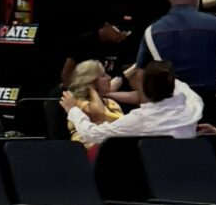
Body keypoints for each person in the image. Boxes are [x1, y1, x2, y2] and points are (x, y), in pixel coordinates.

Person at [66, 60, 201, 145]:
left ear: (144, 88)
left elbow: (93, 134)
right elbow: (176, 84)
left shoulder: (140, 119)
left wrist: (73, 110)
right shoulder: (192, 106)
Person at [60, 16, 137, 89]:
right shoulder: (84, 43)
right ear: (106, 25)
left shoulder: (121, 45)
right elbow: (66, 74)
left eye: (127, 33)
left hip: (108, 91)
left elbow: (118, 70)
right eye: (120, 31)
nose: (122, 36)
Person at [64, 59, 121, 138]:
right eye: (103, 76)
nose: (109, 77)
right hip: (86, 147)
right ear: (91, 80)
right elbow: (99, 116)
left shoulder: (111, 103)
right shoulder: (77, 103)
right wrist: (91, 88)